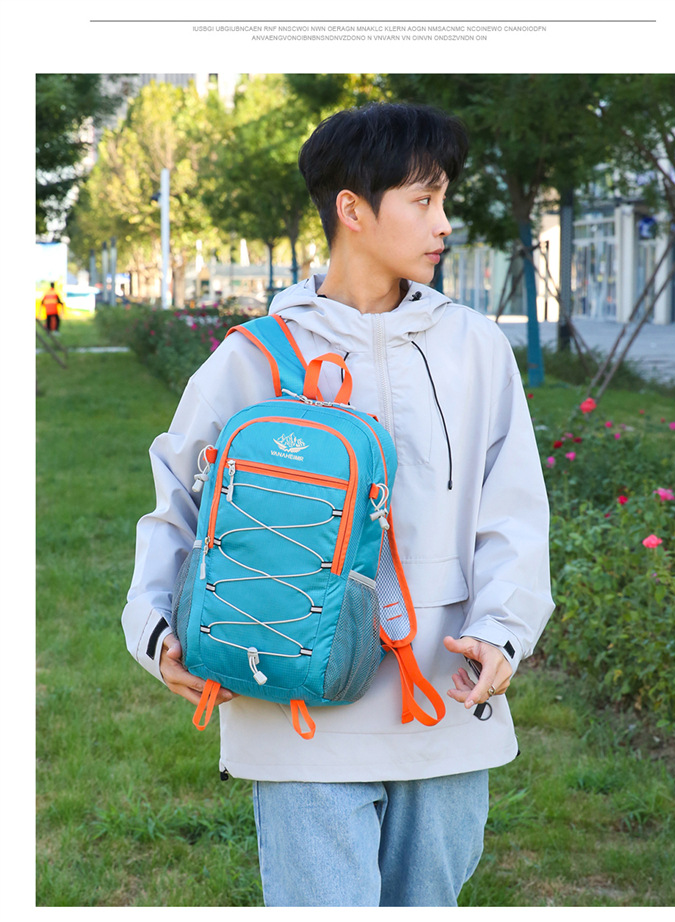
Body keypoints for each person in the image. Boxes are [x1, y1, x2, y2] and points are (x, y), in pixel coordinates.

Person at [122, 102, 554, 907]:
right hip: (291, 697)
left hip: (443, 694)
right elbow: (175, 503)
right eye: (423, 200)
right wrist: (153, 628)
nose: (444, 223)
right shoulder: (254, 359)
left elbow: (514, 510)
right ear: (352, 210)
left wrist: (504, 632)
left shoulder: (476, 348)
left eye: (444, 199)